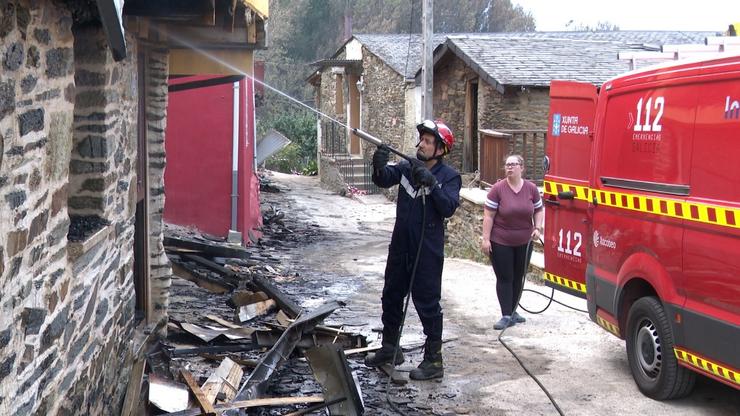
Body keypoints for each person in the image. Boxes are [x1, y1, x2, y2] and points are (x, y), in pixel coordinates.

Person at [364, 119, 461, 380]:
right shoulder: (407, 167)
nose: (422, 144)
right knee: (391, 295)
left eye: (429, 142)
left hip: (426, 250)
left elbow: (448, 207)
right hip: (400, 246)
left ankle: (433, 361)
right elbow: (383, 180)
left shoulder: (450, 177)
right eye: (422, 140)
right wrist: (379, 163)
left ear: (441, 150)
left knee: (427, 303)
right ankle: (390, 348)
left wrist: (431, 183)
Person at [480, 154, 543, 330]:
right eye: (507, 165)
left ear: (521, 168)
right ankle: (506, 314)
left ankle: (514, 311)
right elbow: (488, 215)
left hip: (524, 241)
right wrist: (486, 239)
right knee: (505, 277)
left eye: (513, 164)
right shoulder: (497, 189)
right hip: (501, 241)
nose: (509, 167)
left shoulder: (531, 189)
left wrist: (538, 228)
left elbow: (538, 209)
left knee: (518, 277)